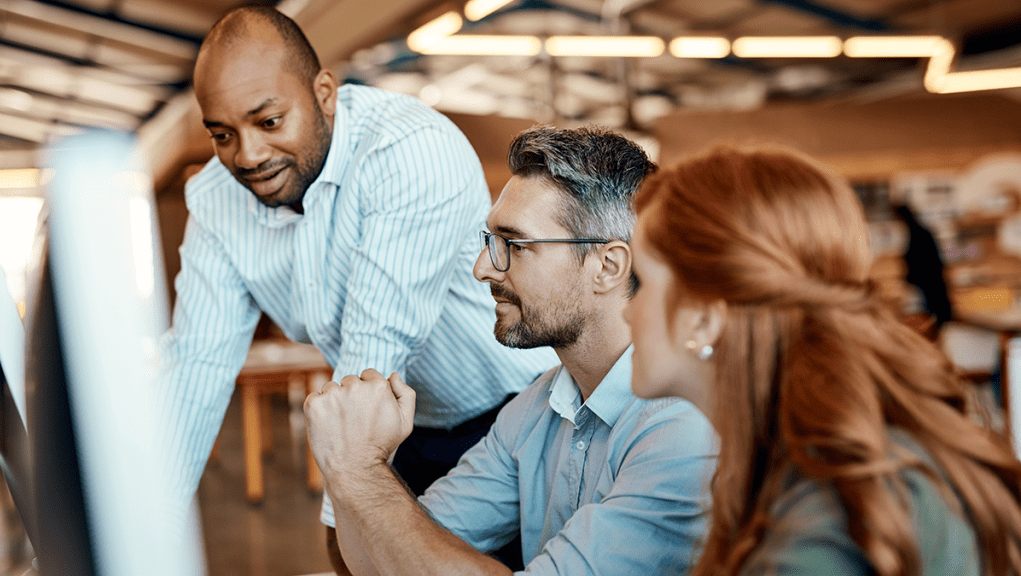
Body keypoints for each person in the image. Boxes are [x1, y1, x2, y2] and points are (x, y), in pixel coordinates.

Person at [158, 3, 557, 549]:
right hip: (406, 425)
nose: (247, 155)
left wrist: (340, 522)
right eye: (221, 135)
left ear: (324, 92)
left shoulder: (408, 149)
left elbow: (376, 345)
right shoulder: (215, 199)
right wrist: (130, 529)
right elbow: (195, 368)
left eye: (269, 121)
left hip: (519, 412)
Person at [304, 126, 717, 575]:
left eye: (514, 245)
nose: (483, 268)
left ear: (607, 266)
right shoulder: (537, 408)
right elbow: (386, 560)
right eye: (489, 243)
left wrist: (362, 471)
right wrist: (349, 469)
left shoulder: (684, 427)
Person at [626, 145, 1021, 576]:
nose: (628, 310)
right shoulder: (866, 461)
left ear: (703, 318)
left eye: (642, 282)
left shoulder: (824, 528)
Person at [893, 203, 953, 340]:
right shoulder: (920, 230)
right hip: (930, 279)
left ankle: (936, 337)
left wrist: (908, 274)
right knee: (935, 311)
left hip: (927, 279)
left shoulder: (917, 232)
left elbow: (918, 259)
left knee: (934, 312)